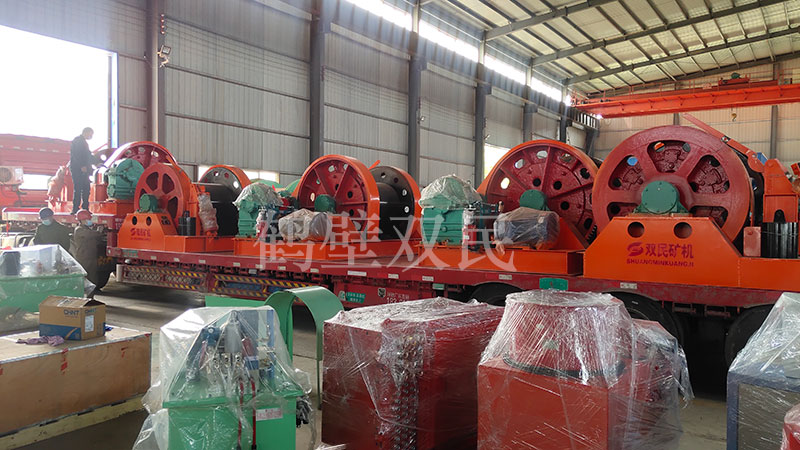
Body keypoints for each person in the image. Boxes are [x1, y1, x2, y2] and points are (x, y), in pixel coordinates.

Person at [72, 209, 103, 290]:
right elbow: (89, 235)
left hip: (91, 257)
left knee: (92, 278)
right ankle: (83, 294)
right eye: (88, 219)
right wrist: (98, 232)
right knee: (84, 278)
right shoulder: (79, 230)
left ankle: (90, 295)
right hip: (83, 258)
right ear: (82, 220)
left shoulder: (87, 229)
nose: (90, 221)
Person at [69, 127, 94, 214]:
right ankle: (75, 209)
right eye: (91, 134)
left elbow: (88, 155)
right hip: (78, 169)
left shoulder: (83, 142)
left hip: (84, 169)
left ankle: (85, 208)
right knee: (78, 188)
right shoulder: (78, 141)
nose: (91, 136)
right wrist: (82, 166)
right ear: (86, 132)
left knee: (86, 188)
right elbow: (77, 155)